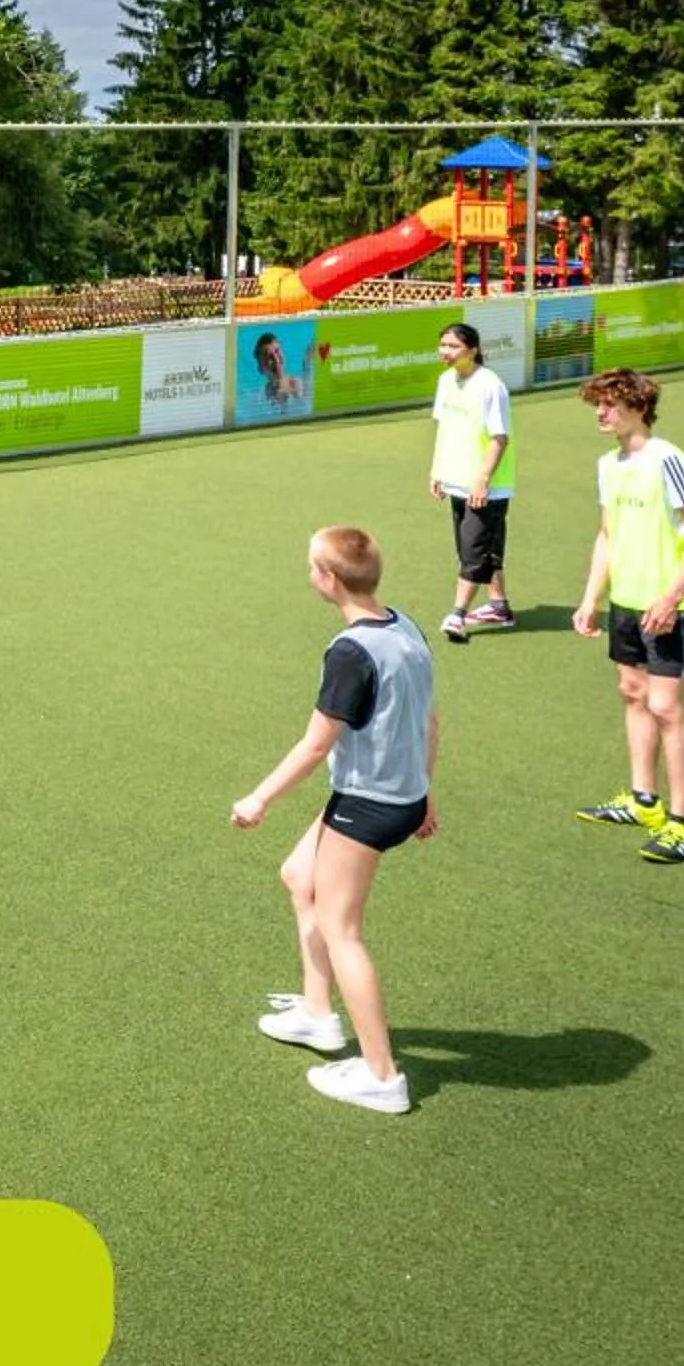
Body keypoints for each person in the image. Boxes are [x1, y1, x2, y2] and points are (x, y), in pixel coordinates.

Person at [229, 526, 437, 1116]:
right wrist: (427, 793)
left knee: (342, 928)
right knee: (299, 876)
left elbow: (316, 745)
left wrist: (259, 799)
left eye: (312, 566)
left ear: (328, 579)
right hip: (400, 794)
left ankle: (382, 1076)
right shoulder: (406, 627)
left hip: (369, 802)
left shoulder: (350, 652)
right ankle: (318, 1014)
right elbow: (430, 719)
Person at [570, 368, 684, 864]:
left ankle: (682, 824)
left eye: (610, 404)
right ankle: (643, 800)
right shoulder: (608, 464)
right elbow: (607, 535)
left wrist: (671, 597)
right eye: (597, 404)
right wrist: (591, 598)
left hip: (669, 606)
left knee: (667, 708)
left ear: (637, 406)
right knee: (632, 694)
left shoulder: (669, 459)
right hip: (626, 602)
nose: (601, 412)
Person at [427, 321, 517, 642]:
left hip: (485, 487)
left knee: (473, 551)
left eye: (453, 346)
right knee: (485, 549)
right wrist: (437, 470)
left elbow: (499, 438)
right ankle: (498, 606)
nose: (445, 352)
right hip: (455, 480)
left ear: (473, 350)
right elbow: (445, 429)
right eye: (443, 345)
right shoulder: (445, 381)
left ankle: (458, 614)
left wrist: (482, 481)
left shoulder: (490, 386)